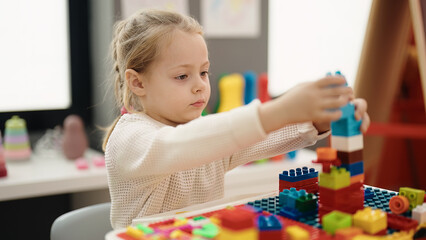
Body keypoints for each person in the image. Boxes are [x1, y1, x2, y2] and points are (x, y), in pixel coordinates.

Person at [103, 9, 370, 229]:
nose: (200, 86)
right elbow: (178, 145)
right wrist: (283, 108)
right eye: (182, 76)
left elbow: (261, 136)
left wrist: (320, 120)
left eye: (204, 72)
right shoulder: (130, 139)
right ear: (137, 82)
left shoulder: (206, 138)